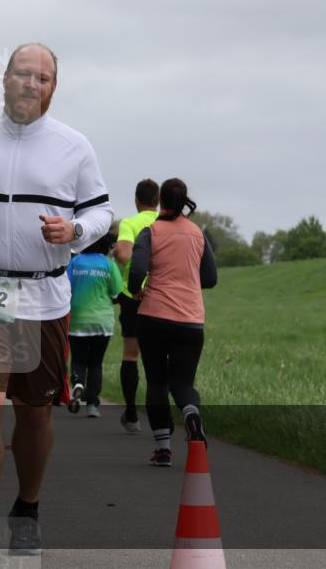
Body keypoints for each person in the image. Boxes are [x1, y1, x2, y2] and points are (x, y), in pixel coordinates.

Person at [0, 43, 114, 562]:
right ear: (4, 78)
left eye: (44, 77)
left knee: (34, 412)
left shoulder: (74, 146)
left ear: (54, 87)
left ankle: (26, 508)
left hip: (45, 296)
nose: (32, 84)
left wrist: (74, 229)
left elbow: (101, 212)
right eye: (24, 74)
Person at [128, 178, 217, 468]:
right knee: (182, 383)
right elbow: (210, 278)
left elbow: (137, 268)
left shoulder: (149, 232)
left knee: (157, 381)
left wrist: (136, 289)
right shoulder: (197, 234)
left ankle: (163, 449)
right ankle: (191, 413)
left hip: (153, 316)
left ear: (161, 201)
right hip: (190, 320)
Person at [111, 179, 160, 433]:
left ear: (136, 201)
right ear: (158, 201)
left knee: (131, 355)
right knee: (160, 357)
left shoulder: (131, 223)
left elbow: (123, 254)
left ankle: (131, 414)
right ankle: (161, 422)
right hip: (163, 296)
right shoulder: (166, 223)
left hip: (134, 295)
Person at [66, 232, 123, 417]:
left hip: (77, 321)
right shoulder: (109, 264)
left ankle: (78, 384)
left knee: (78, 359)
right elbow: (116, 293)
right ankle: (92, 405)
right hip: (102, 322)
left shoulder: (75, 263)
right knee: (96, 364)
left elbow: (65, 289)